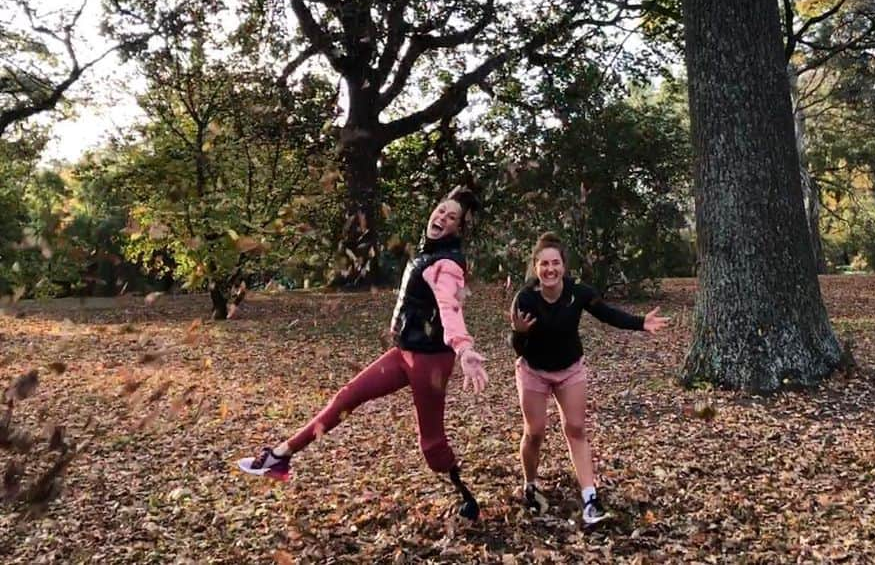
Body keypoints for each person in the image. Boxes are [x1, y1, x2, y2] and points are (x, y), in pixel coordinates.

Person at [237, 187, 489, 519]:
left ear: (459, 228)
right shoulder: (428, 253)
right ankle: (280, 457)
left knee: (431, 445)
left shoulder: (447, 265)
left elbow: (450, 310)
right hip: (404, 353)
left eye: (451, 217)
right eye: (440, 210)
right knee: (347, 397)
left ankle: (466, 497)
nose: (441, 217)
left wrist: (464, 349)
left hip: (430, 363)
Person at [509, 232, 670, 526]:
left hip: (570, 367)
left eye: (555, 263)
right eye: (543, 264)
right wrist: (518, 333)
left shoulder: (578, 292)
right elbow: (519, 348)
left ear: (563, 266)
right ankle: (530, 486)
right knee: (535, 431)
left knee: (576, 428)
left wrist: (640, 323)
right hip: (534, 370)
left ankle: (590, 499)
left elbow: (607, 314)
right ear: (535, 267)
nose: (549, 269)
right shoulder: (525, 298)